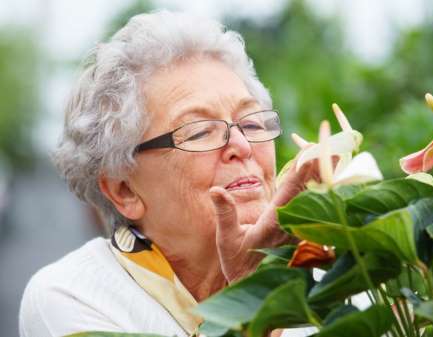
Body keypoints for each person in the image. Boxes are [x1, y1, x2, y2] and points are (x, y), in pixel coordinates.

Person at [19, 10, 322, 337]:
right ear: (124, 191)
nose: (242, 145)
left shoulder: (333, 274)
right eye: (199, 132)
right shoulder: (72, 296)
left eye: (250, 123)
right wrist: (251, 296)